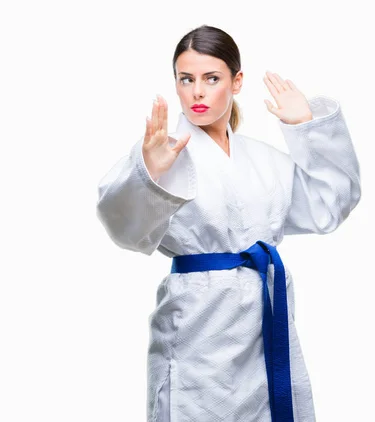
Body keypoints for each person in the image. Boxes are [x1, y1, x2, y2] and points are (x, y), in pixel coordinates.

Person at [96, 24, 361, 422]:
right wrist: (148, 172)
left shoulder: (263, 159)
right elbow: (124, 227)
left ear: (236, 82)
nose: (197, 92)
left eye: (211, 78)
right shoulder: (163, 154)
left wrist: (307, 128)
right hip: (199, 321)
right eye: (186, 79)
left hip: (264, 311)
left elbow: (330, 205)